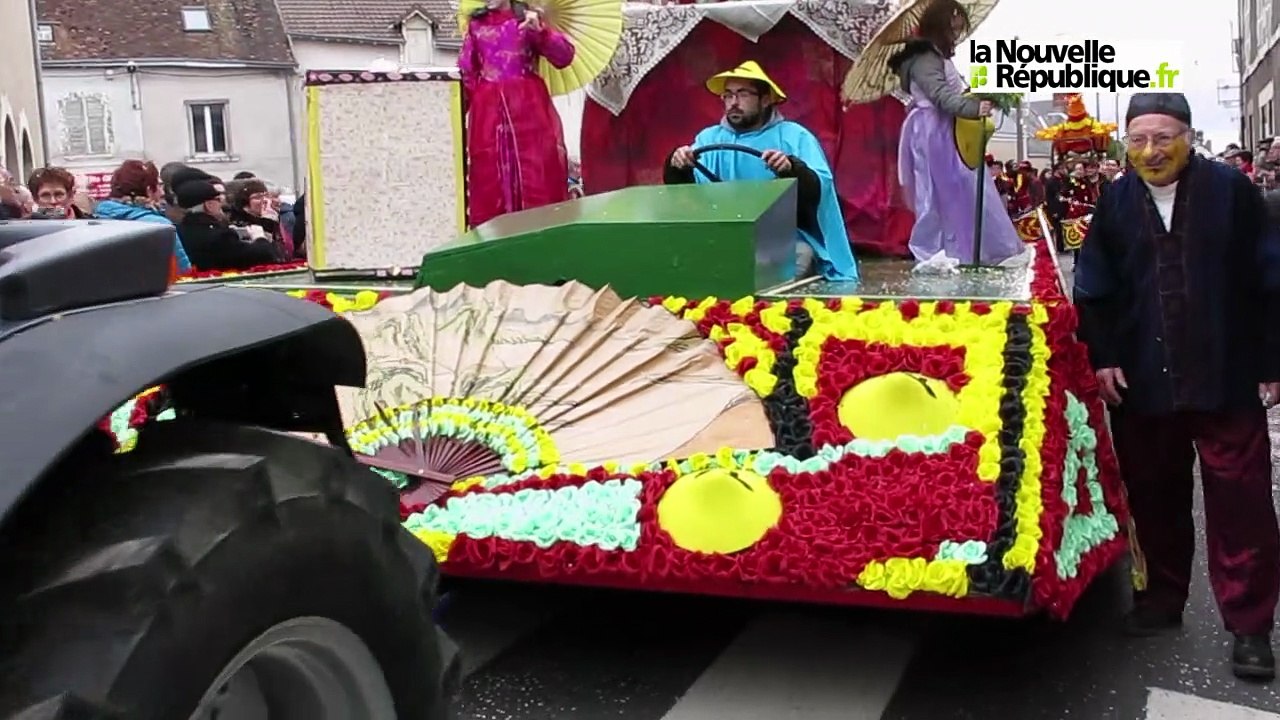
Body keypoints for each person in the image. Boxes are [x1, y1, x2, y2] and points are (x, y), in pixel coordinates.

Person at [1074, 92, 1280, 680]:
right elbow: (1094, 288)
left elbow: (1270, 278)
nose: (1150, 151)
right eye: (1138, 139)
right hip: (1143, 384)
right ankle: (1161, 600)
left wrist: (1272, 359)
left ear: (1188, 137)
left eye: (1163, 138)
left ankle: (1249, 626)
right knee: (1153, 497)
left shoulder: (1233, 193)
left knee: (1242, 505)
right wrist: (1104, 358)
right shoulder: (1114, 201)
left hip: (1227, 376)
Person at [664, 61, 858, 281]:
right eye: (728, 95)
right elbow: (688, 197)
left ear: (766, 100)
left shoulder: (794, 136)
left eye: (742, 94)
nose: (733, 103)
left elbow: (819, 192)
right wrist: (677, 165)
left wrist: (791, 169)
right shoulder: (708, 139)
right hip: (723, 239)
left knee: (798, 258)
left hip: (783, 238)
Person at [886, 0, 1024, 266]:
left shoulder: (934, 55)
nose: (958, 29)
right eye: (954, 21)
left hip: (944, 129)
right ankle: (936, 253)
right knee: (938, 193)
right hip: (933, 131)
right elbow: (941, 96)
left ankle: (963, 251)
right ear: (942, 22)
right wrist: (973, 106)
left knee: (961, 188)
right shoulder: (925, 58)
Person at [459, 0, 575, 227]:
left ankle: (537, 237)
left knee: (535, 173)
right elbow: (466, 75)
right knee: (491, 177)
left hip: (528, 110)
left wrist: (541, 33)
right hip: (488, 115)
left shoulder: (528, 19)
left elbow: (564, 57)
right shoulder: (476, 24)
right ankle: (495, 242)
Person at [93, 160, 192, 273]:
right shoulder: (159, 226)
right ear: (149, 190)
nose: (162, 192)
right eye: (158, 186)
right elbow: (183, 271)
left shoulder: (96, 221)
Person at [175, 179, 280, 271]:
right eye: (218, 200)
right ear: (209, 205)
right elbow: (262, 256)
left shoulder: (178, 231)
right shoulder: (219, 236)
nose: (221, 204)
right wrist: (260, 238)